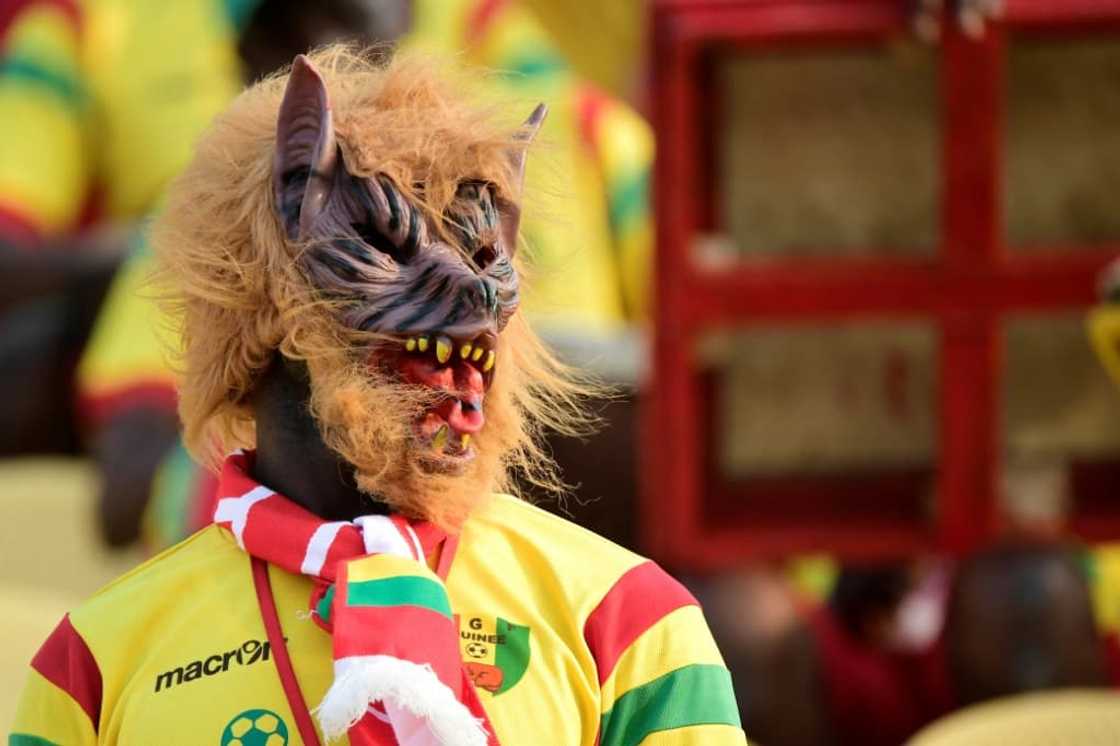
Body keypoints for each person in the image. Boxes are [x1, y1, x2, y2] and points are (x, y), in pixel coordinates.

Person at [9, 47, 745, 745]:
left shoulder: (628, 620)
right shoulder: (95, 665)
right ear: (266, 299)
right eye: (393, 242)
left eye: (484, 251)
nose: (472, 291)